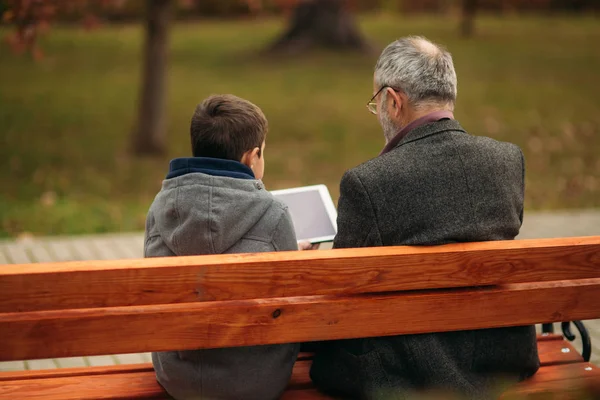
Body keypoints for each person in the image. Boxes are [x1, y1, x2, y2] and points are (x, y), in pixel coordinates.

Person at [309, 36, 540, 399]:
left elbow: (342, 290)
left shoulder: (368, 182)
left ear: (393, 100)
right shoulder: (508, 160)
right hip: (505, 359)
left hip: (408, 374)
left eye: (376, 103)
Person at [144, 94, 300, 400]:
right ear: (251, 157)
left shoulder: (159, 209)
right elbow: (291, 304)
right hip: (257, 381)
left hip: (177, 376)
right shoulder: (274, 215)